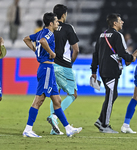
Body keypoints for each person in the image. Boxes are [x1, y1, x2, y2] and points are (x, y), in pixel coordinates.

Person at [22, 12, 82, 138]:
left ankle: (68, 128)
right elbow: (43, 41)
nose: (57, 23)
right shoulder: (48, 33)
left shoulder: (40, 32)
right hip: (47, 69)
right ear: (51, 23)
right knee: (39, 100)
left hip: (48, 68)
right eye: (55, 21)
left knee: (57, 100)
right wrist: (51, 52)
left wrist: (35, 50)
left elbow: (26, 39)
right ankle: (28, 129)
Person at [90, 13, 136, 133]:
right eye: (120, 20)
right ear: (114, 23)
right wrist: (131, 58)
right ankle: (104, 125)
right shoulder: (117, 35)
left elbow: (95, 54)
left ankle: (101, 120)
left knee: (113, 94)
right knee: (110, 97)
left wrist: (94, 70)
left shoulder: (101, 35)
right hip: (111, 70)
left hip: (103, 70)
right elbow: (121, 53)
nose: (122, 22)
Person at [47, 4, 79, 135]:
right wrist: (71, 62)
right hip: (64, 66)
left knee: (55, 96)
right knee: (73, 94)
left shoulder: (49, 28)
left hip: (50, 65)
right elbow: (76, 49)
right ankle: (54, 116)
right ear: (64, 15)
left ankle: (54, 129)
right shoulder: (68, 28)